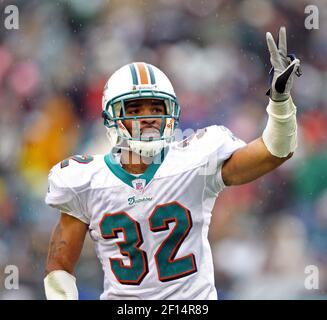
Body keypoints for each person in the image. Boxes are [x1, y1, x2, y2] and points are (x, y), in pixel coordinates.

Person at [44, 27, 301, 300]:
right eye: (134, 109)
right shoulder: (86, 180)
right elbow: (60, 267)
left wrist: (280, 101)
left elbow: (275, 152)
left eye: (156, 108)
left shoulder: (195, 161)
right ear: (112, 118)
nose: (148, 117)